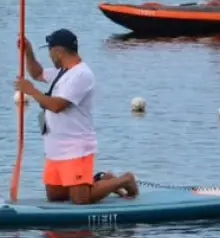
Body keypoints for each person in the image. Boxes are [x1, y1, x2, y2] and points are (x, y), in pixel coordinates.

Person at [15, 28, 139, 205]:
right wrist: (28, 51)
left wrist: (31, 91)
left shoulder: (81, 74)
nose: (50, 56)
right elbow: (36, 74)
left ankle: (125, 179)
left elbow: (58, 106)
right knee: (56, 196)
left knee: (80, 199)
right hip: (55, 147)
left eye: (50, 51)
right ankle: (103, 180)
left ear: (58, 51)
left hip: (76, 147)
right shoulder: (62, 72)